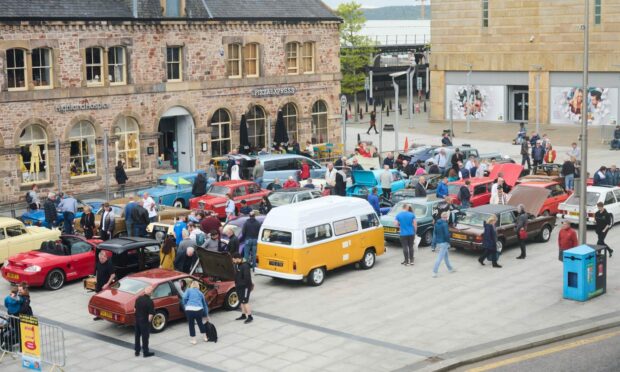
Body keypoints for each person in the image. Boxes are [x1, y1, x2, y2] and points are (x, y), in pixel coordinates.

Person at [431, 211, 455, 277]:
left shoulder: (436, 223)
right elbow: (446, 234)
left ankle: (450, 268)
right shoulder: (445, 224)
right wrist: (449, 242)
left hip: (439, 242)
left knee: (446, 256)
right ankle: (434, 272)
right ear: (446, 217)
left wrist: (435, 242)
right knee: (440, 258)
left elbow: (435, 233)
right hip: (444, 242)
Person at [134, 285, 155, 357]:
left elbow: (135, 309)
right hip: (144, 321)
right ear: (151, 293)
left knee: (137, 336)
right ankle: (145, 352)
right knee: (145, 337)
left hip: (137, 320)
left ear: (145, 291)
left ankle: (137, 351)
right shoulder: (150, 301)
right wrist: (148, 322)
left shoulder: (138, 299)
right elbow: (150, 315)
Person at [232, 253, 253, 324]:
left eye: (234, 260)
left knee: (245, 301)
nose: (233, 262)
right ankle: (243, 315)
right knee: (241, 301)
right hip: (239, 286)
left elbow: (247, 278)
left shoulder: (245, 266)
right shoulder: (237, 264)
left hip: (245, 287)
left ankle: (250, 316)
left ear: (238, 258)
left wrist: (247, 287)